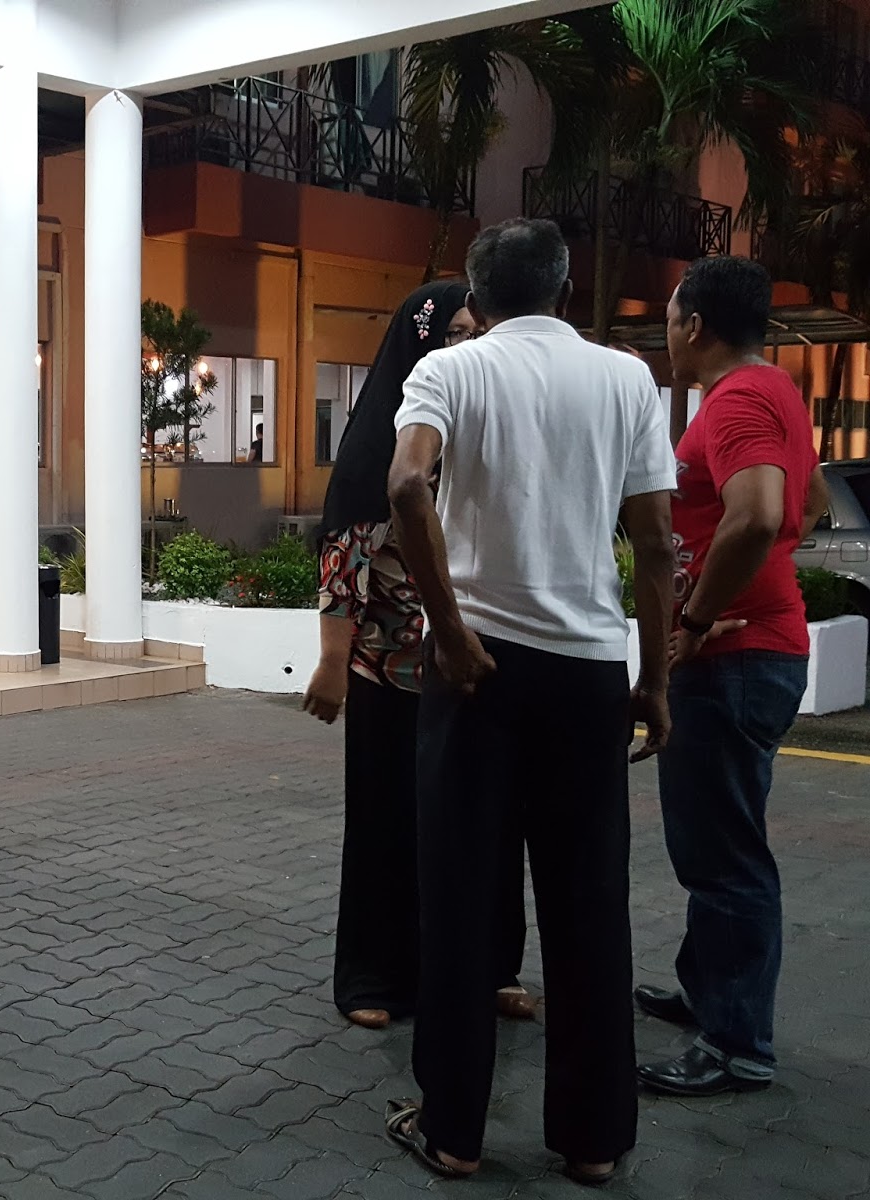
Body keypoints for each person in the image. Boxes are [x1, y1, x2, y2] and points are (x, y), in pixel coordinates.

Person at [381, 219, 677, 1185]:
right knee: (590, 902)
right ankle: (594, 1141)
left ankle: (454, 1132)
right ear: (565, 288)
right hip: (587, 671)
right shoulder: (626, 380)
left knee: (460, 897)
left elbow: (407, 485)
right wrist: (655, 677)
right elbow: (657, 543)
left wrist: (448, 629)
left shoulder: (451, 370)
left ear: (474, 296)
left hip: (478, 669)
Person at [302, 280, 536, 1031]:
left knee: (487, 818)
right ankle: (375, 974)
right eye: (454, 334)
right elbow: (346, 551)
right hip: (390, 669)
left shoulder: (488, 427)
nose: (468, 346)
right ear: (420, 344)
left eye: (478, 331)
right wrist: (332, 662)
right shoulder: (385, 439)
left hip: (481, 664)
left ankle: (490, 966)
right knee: (387, 820)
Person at [636, 257, 829, 1098]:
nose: (669, 335)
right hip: (758, 650)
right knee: (715, 840)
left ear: (696, 326)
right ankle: (711, 994)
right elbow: (807, 503)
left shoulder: (739, 399)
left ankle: (737, 1042)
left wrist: (696, 618)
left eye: (670, 319)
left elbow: (755, 516)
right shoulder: (772, 388)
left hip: (734, 660)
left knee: (725, 856)